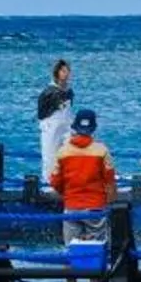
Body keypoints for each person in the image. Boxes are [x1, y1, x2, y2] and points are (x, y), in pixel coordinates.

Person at [49, 107, 115, 253]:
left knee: (71, 250)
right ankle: (96, 276)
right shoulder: (102, 150)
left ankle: (71, 276)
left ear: (75, 127)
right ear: (93, 128)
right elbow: (110, 181)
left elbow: (55, 181)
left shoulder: (63, 152)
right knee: (98, 250)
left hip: (72, 206)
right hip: (95, 206)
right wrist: (109, 200)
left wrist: (66, 194)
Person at [34, 58, 75, 182]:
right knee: (50, 156)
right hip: (51, 126)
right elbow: (41, 113)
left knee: (70, 153)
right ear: (57, 72)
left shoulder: (69, 91)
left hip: (66, 125)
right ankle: (48, 182)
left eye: (68, 71)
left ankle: (68, 179)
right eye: (63, 71)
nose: (66, 74)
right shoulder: (48, 92)